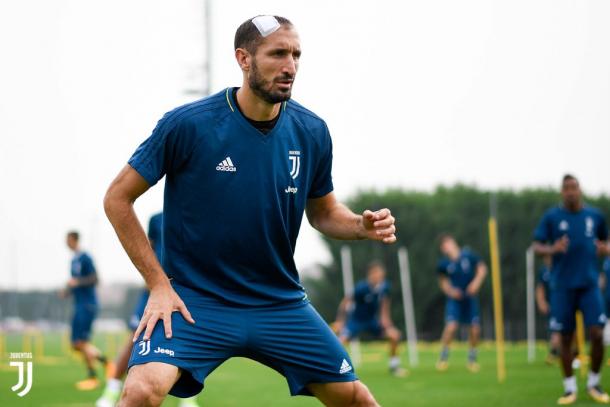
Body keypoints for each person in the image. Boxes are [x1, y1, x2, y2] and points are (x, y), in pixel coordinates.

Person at [103, 15, 397, 407]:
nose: (290, 66)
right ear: (243, 59)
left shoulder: (312, 131)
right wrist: (159, 285)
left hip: (279, 302)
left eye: (295, 55)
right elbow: (117, 198)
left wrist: (360, 226)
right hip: (195, 301)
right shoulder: (188, 126)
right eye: (278, 54)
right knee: (139, 392)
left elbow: (324, 213)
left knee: (356, 398)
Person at [96, 214, 199, 407]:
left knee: (189, 342)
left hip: (186, 291)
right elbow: (148, 248)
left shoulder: (198, 216)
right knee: (134, 339)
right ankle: (111, 391)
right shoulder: (157, 219)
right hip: (156, 290)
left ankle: (187, 399)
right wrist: (151, 279)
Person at [533, 174, 610, 405]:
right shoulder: (552, 217)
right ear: (561, 192)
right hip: (562, 287)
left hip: (589, 285)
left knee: (597, 333)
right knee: (565, 338)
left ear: (580, 190)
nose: (570, 192)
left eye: (574, 187)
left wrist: (605, 249)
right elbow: (536, 246)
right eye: (566, 188)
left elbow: (605, 242)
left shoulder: (595, 216)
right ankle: (569, 388)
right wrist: (552, 248)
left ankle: (594, 383)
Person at [334, 261, 406, 377]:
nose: (380, 276)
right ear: (370, 274)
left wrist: (386, 320)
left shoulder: (385, 287)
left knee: (394, 335)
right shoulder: (361, 288)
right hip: (356, 321)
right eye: (377, 274)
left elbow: (385, 304)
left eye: (381, 274)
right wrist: (341, 321)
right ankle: (335, 370)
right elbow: (345, 302)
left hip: (372, 321)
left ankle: (394, 367)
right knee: (339, 342)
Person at [61, 230, 113, 390]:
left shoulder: (85, 257)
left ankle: (93, 377)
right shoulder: (73, 260)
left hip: (87, 305)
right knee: (76, 344)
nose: (66, 243)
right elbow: (74, 282)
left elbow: (95, 278)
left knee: (81, 342)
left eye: (68, 240)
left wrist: (77, 282)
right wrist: (68, 290)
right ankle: (107, 363)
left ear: (74, 240)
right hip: (78, 305)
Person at [435, 234, 487, 373]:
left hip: (470, 298)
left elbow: (482, 269)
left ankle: (472, 359)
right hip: (455, 299)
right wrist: (451, 291)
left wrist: (476, 284)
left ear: (453, 242)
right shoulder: (444, 264)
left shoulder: (469, 256)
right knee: (451, 326)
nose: (447, 247)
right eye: (444, 246)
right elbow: (443, 282)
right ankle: (443, 357)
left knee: (475, 328)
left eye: (448, 243)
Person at [536, 254, 562, 364]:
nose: (547, 260)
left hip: (565, 303)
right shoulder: (543, 271)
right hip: (553, 305)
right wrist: (541, 302)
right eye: (545, 258)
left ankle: (557, 352)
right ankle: (554, 352)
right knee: (555, 330)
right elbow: (540, 288)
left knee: (564, 330)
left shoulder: (561, 268)